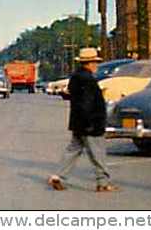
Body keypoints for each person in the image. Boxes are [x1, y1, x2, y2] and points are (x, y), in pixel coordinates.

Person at [48, 47, 118, 193]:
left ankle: (58, 177)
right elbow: (87, 103)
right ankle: (103, 183)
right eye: (95, 62)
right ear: (90, 63)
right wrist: (93, 122)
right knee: (97, 152)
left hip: (78, 122)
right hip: (90, 122)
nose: (96, 65)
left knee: (73, 150)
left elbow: (73, 96)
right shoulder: (88, 80)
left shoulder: (76, 77)